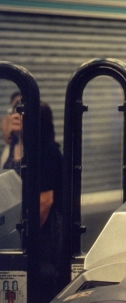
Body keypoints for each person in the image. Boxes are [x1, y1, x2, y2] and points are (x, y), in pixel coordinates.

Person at [4, 100, 63, 302]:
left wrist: (23, 235)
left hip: (38, 230)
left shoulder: (45, 151)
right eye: (14, 111)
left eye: (21, 112)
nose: (14, 115)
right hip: (15, 225)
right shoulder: (13, 148)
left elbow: (44, 202)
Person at [1, 92, 21, 167]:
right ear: (11, 102)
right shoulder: (7, 118)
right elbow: (7, 137)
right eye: (17, 101)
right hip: (11, 146)